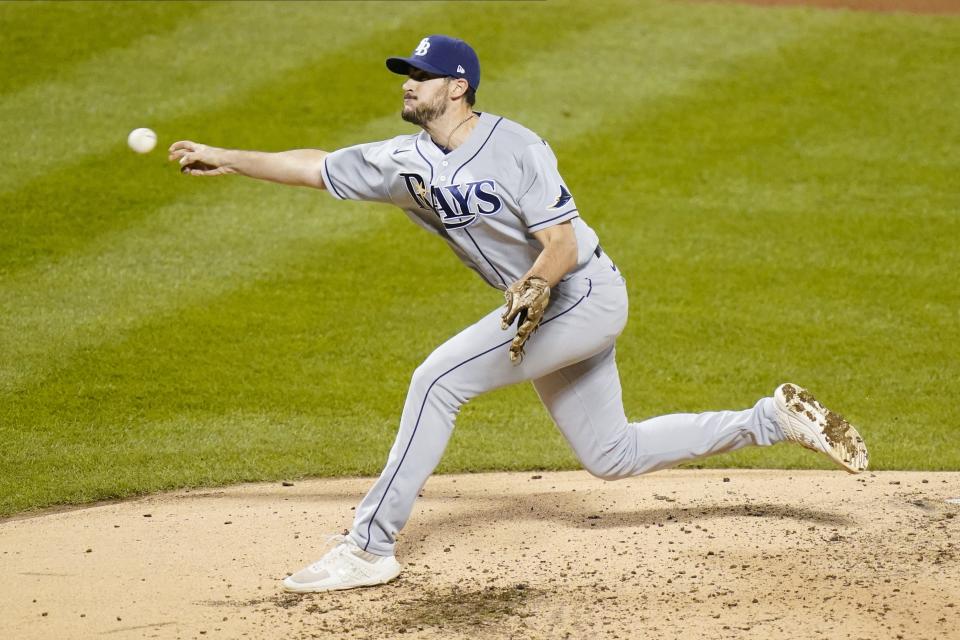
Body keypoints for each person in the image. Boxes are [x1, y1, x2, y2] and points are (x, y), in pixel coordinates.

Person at [168, 35, 869, 594]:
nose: (407, 83)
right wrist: (225, 157)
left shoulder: (516, 147)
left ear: (458, 86)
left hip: (583, 296)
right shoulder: (403, 161)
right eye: (405, 73)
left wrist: (535, 285)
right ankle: (769, 420)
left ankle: (368, 548)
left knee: (436, 381)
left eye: (421, 74)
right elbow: (316, 166)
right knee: (611, 455)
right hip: (546, 311)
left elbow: (560, 243)